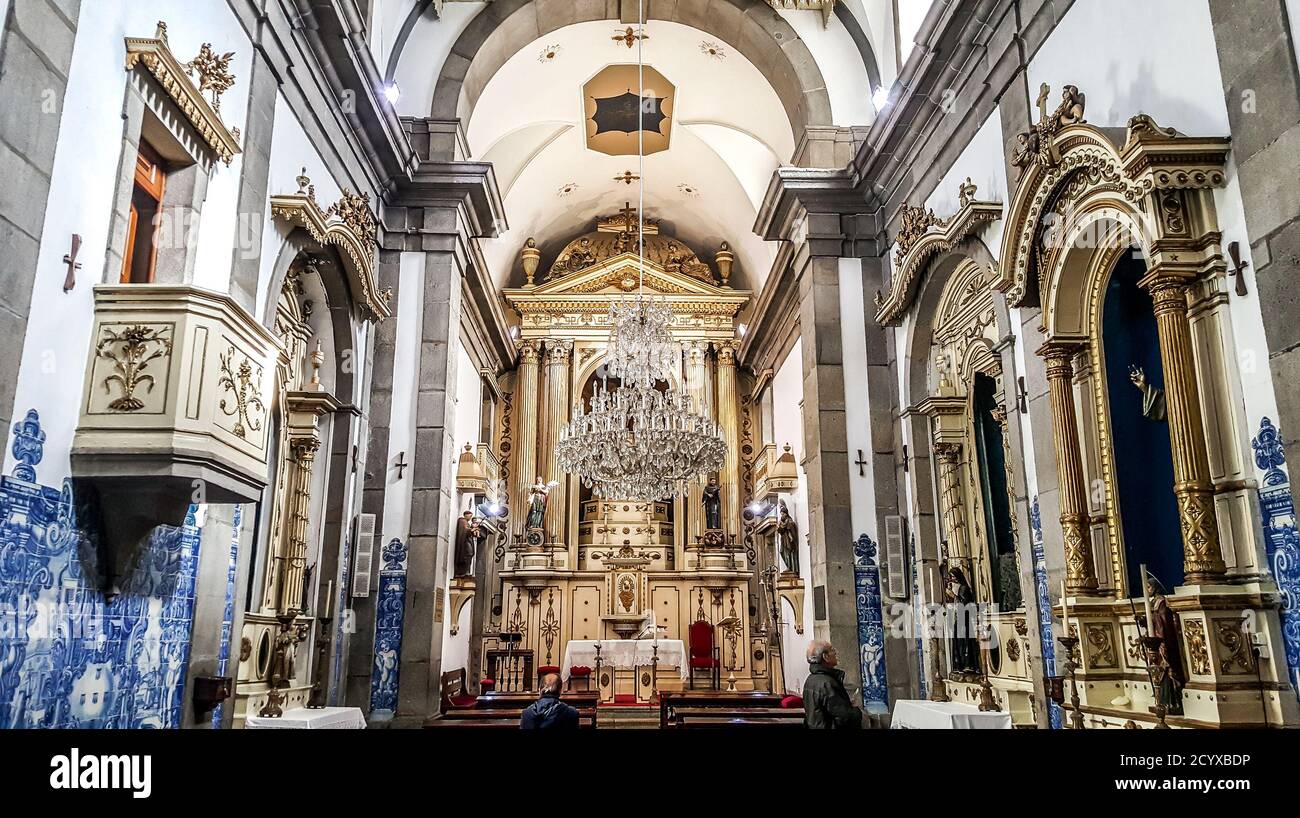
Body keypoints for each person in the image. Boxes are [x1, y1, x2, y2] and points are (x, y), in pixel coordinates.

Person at [801, 641, 863, 729]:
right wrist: (856, 712)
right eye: (832, 650)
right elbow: (844, 717)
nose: (835, 652)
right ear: (825, 657)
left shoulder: (811, 679)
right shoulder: (827, 683)